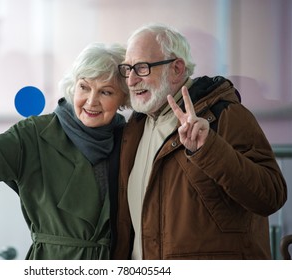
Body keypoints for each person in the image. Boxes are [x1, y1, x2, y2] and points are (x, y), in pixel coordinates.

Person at [0, 42, 130, 260]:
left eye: (106, 91)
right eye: (84, 87)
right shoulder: (34, 134)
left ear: (123, 98)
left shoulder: (129, 139)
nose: (91, 101)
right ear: (73, 86)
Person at [113, 23, 287, 260]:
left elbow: (271, 196)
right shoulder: (135, 127)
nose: (131, 80)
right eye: (127, 68)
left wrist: (209, 149)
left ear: (176, 68)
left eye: (142, 68)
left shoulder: (225, 114)